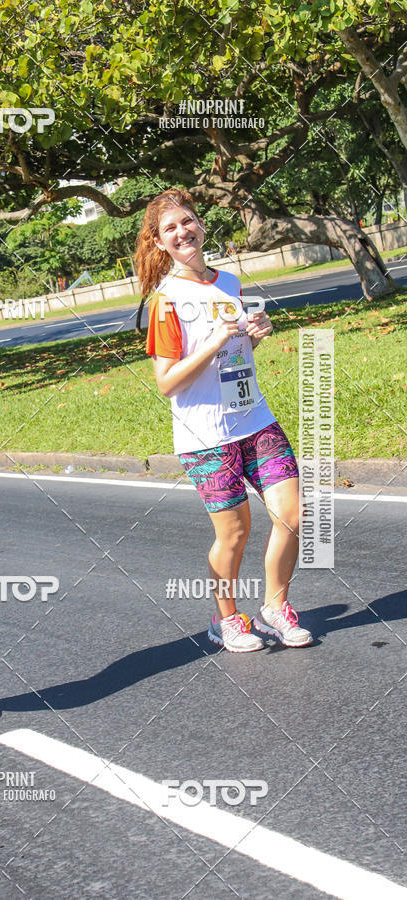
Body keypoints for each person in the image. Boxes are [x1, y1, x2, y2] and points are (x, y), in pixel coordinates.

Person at [137, 189, 313, 652]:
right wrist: (213, 342)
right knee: (234, 533)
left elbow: (232, 355)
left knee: (291, 515)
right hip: (205, 434)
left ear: (201, 225)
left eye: (188, 221)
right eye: (170, 228)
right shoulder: (166, 300)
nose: (183, 231)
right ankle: (227, 619)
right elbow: (167, 382)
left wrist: (252, 338)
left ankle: (275, 607)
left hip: (253, 417)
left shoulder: (229, 282)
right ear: (159, 242)